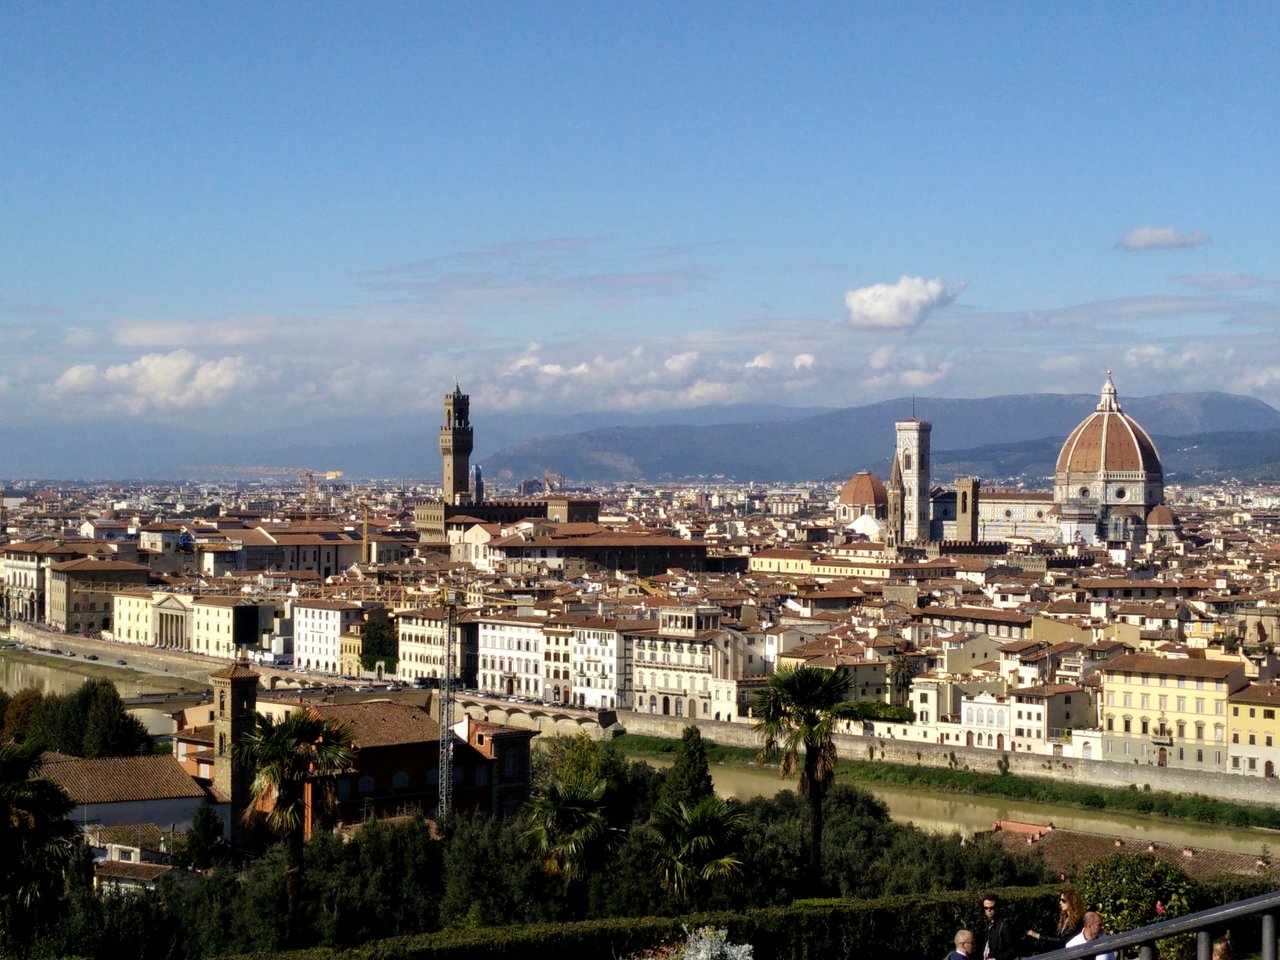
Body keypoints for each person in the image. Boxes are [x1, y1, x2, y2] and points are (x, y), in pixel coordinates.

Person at [982, 894, 1017, 960]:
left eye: (991, 908)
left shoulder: (1005, 925)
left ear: (997, 907)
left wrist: (996, 958)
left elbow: (1013, 950)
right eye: (986, 908)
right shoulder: (987, 923)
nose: (988, 910)